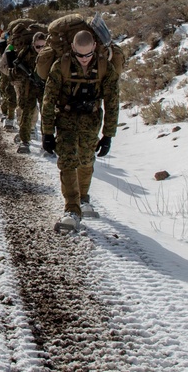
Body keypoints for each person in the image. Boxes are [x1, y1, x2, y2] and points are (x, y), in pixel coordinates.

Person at [41, 29, 120, 232]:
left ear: (94, 47)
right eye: (79, 55)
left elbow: (112, 102)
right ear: (73, 49)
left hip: (91, 121)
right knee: (67, 160)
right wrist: (47, 132)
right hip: (66, 120)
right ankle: (72, 210)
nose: (84, 59)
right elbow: (49, 99)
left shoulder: (104, 67)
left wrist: (108, 134)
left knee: (86, 160)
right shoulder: (62, 66)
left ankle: (84, 199)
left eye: (88, 55)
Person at [0, 27, 47, 154]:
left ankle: (46, 143)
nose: (40, 49)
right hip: (28, 87)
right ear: (33, 44)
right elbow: (14, 69)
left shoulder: (49, 54)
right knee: (26, 114)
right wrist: (25, 76)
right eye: (38, 46)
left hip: (44, 88)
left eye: (43, 46)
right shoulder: (25, 53)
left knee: (47, 115)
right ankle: (24, 141)